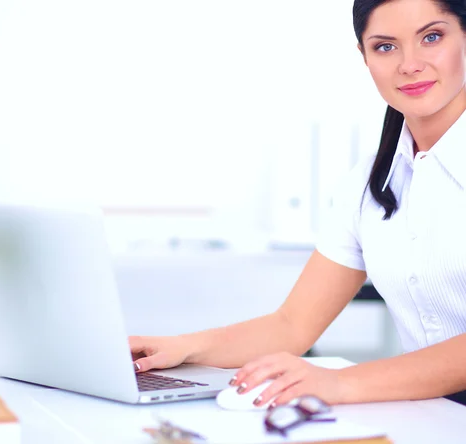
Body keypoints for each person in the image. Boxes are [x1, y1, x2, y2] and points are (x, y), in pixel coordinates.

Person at [129, 0, 466, 408]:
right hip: (436, 418)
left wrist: (338, 383)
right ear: (364, 56)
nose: (410, 64)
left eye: (432, 37)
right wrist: (181, 348)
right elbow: (292, 325)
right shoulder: (370, 181)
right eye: (385, 46)